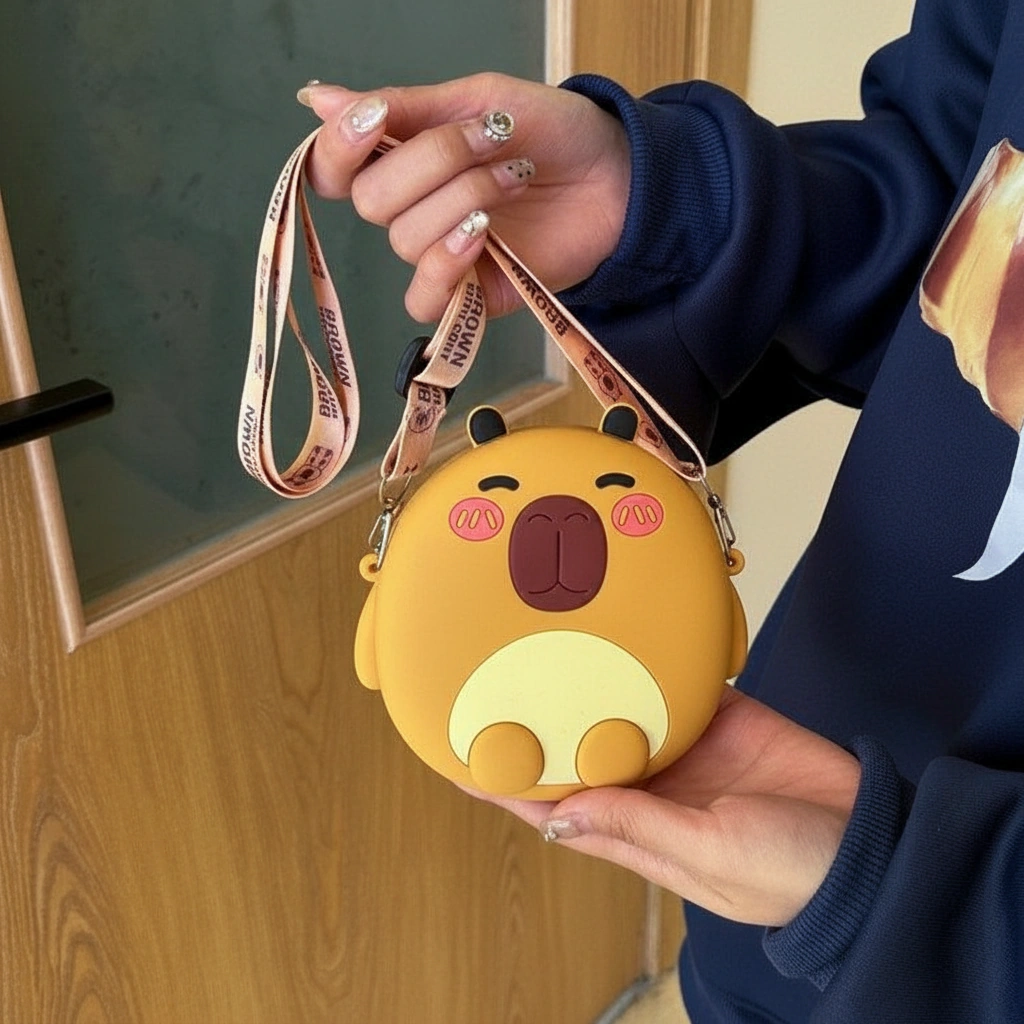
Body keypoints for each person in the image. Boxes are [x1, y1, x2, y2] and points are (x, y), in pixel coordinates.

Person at [299, 0, 1024, 1019]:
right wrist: (661, 209)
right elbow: (962, 204)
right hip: (801, 815)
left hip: (895, 914)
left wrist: (916, 902)